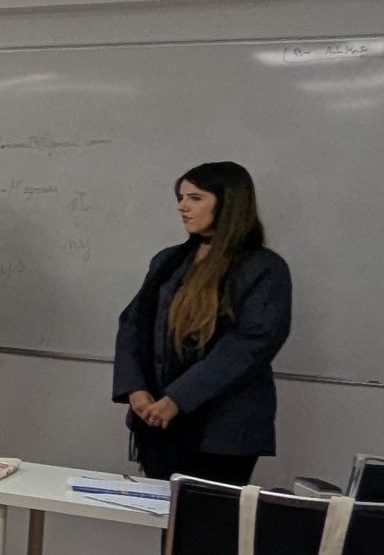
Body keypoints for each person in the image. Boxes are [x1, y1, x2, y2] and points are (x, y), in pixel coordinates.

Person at [112, 162, 292, 484]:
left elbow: (249, 345)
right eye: (181, 197)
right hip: (158, 424)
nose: (182, 206)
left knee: (207, 514)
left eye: (195, 198)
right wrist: (136, 390)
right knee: (162, 512)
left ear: (228, 203)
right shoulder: (168, 260)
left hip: (222, 431)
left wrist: (178, 398)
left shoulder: (263, 268)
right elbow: (132, 324)